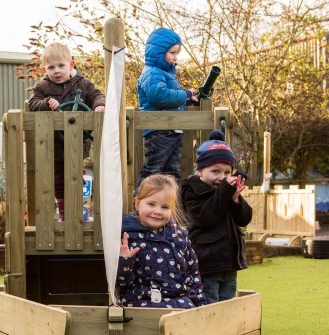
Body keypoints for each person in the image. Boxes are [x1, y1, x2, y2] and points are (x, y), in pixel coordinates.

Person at [27, 42, 105, 221]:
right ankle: (63, 212)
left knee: (76, 176)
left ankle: (78, 209)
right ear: (44, 69)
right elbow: (32, 104)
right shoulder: (42, 88)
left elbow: (97, 95)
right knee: (58, 179)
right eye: (51, 67)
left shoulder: (83, 84)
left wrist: (99, 105)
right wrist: (46, 103)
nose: (57, 71)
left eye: (61, 66)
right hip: (53, 144)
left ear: (71, 64)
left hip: (78, 142)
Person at [180, 130, 253, 303]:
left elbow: (244, 219)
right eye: (215, 171)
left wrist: (236, 200)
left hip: (228, 264)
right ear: (200, 172)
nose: (222, 177)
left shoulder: (227, 192)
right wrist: (226, 192)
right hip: (206, 265)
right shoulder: (193, 191)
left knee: (227, 307)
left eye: (227, 172)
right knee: (209, 306)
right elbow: (206, 217)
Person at [116, 174, 207, 308]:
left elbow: (192, 274)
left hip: (179, 302)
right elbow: (121, 283)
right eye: (151, 204)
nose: (158, 211)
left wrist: (200, 305)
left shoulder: (179, 236)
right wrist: (124, 260)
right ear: (137, 203)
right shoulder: (127, 236)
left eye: (165, 207)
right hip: (142, 303)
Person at [136, 27, 199, 187]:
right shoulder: (152, 73)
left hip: (172, 130)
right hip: (160, 131)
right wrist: (184, 94)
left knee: (172, 171)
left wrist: (187, 100)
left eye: (177, 53)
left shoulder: (166, 74)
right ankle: (141, 202)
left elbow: (171, 101)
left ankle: (170, 206)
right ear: (158, 51)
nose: (175, 57)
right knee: (154, 170)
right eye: (172, 52)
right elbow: (160, 96)